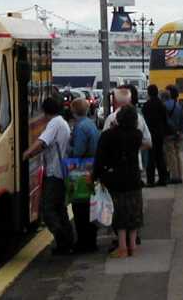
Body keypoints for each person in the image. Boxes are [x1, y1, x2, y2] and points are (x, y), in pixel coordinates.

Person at [23, 97, 74, 255]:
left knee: (48, 209)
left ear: (45, 111)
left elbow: (42, 142)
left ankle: (62, 239)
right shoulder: (63, 122)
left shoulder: (54, 123)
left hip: (54, 172)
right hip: (61, 171)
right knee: (60, 208)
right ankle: (68, 241)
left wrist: (26, 154)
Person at [93, 105, 144, 258]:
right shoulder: (137, 135)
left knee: (119, 213)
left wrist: (96, 175)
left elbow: (100, 158)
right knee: (134, 212)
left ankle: (122, 247)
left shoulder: (108, 135)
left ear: (118, 118)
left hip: (115, 179)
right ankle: (133, 246)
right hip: (134, 178)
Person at [69, 98, 100, 253]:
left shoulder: (80, 127)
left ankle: (84, 242)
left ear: (74, 111)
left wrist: (68, 148)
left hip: (82, 170)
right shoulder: (90, 124)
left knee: (79, 207)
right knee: (89, 206)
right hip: (92, 167)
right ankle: (91, 240)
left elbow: (78, 152)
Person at [142, 85, 169, 187]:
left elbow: (144, 120)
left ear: (149, 93)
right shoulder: (161, 105)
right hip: (159, 133)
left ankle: (151, 180)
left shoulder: (146, 106)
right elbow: (165, 120)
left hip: (150, 133)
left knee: (151, 158)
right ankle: (163, 179)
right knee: (160, 157)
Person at [163, 86, 183, 184]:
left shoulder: (164, 105)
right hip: (177, 133)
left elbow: (165, 120)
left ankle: (174, 176)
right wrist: (180, 131)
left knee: (170, 155)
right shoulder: (178, 106)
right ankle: (179, 175)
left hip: (168, 133)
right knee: (177, 154)